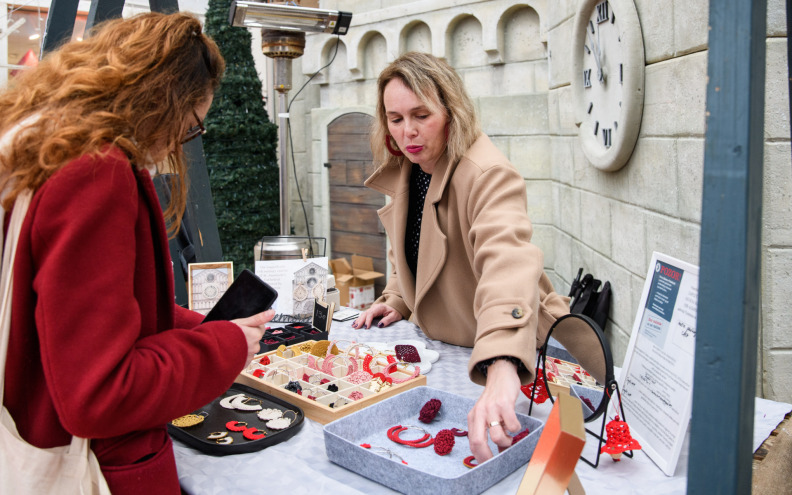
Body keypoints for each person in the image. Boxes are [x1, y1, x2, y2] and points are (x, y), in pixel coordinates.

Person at [0, 13, 273, 494]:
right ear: (165, 101)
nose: (179, 143)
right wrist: (224, 346)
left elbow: (69, 316)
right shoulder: (96, 172)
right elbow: (102, 393)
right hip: (97, 466)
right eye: (192, 127)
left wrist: (198, 326)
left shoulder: (37, 145)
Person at [352, 52, 572, 463]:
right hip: (451, 351)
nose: (408, 131)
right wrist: (398, 296)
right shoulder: (410, 165)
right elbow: (411, 247)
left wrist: (504, 361)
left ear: (452, 111)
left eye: (421, 115)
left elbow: (507, 263)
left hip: (517, 353)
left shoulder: (487, 172)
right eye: (395, 119)